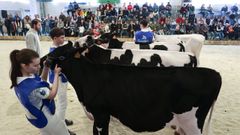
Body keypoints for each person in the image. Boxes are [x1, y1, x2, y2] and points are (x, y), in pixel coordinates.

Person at [9, 49, 70, 135]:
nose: (39, 67)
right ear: (24, 65)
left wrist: (46, 68)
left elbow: (41, 81)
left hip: (36, 117)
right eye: (35, 65)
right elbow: (52, 94)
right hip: (47, 117)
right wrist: (56, 74)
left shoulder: (19, 79)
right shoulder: (32, 87)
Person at [49, 27, 76, 135]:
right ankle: (61, 128)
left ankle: (62, 120)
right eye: (61, 37)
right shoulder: (54, 51)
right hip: (58, 79)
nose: (64, 39)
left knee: (62, 102)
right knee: (62, 103)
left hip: (61, 79)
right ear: (55, 38)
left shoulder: (58, 48)